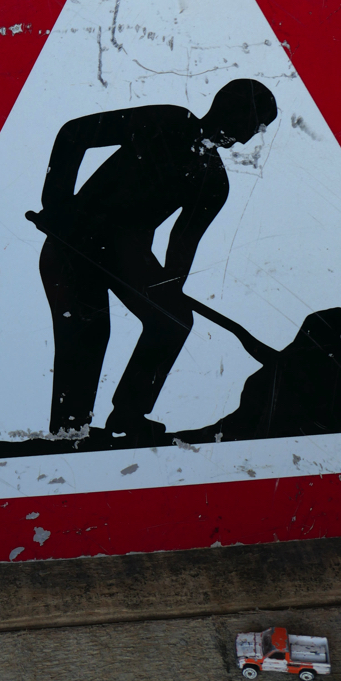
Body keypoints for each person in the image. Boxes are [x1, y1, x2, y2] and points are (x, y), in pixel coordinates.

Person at [26, 78, 278, 441]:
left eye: (255, 132)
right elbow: (74, 133)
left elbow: (182, 247)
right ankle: (69, 431)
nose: (245, 140)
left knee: (173, 320)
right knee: (88, 330)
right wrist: (57, 203)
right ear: (230, 109)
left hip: (126, 252)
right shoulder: (168, 121)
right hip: (76, 236)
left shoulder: (213, 182)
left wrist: (171, 288)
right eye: (251, 126)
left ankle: (128, 416)